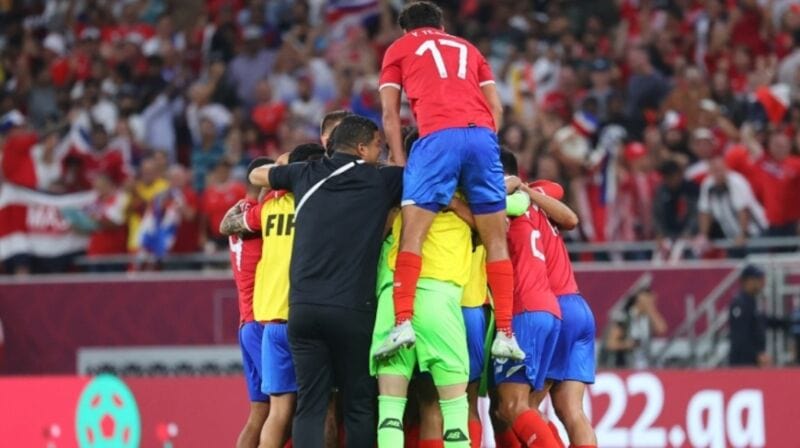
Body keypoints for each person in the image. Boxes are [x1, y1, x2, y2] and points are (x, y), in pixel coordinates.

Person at [377, 0, 521, 364]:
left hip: (437, 138)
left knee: (413, 233)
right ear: (441, 25)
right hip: (482, 137)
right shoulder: (470, 49)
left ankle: (403, 322)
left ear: (405, 28)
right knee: (496, 239)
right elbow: (497, 109)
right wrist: (482, 145)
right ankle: (505, 333)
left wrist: (398, 159)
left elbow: (390, 114)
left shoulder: (399, 48)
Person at [248, 115, 403, 447]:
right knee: (359, 406)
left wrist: (287, 165)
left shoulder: (304, 173)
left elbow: (255, 173)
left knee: (311, 405)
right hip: (353, 310)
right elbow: (427, 179)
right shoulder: (382, 181)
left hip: (302, 310)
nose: (382, 151)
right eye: (379, 145)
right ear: (362, 147)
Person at [370, 128, 474, 447]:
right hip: (439, 298)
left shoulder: (397, 189)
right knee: (454, 408)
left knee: (390, 408)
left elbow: (379, 230)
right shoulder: (466, 191)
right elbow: (501, 218)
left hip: (393, 294)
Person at [223, 145, 326, 447]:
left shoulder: (250, 215)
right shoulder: (277, 206)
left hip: (253, 321)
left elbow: (224, 225)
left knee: (262, 411)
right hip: (270, 316)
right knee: (289, 410)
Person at [493, 150, 579, 448]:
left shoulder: (497, 205)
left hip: (523, 310)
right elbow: (560, 199)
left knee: (511, 407)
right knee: (522, 408)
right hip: (548, 309)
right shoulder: (530, 199)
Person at [529, 182, 598, 448]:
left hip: (554, 308)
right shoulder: (545, 207)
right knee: (571, 411)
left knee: (527, 406)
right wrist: (531, 191)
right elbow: (557, 190)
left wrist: (523, 191)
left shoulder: (514, 211)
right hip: (579, 305)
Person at [222, 157, 273, 448]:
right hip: (262, 322)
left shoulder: (238, 212)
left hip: (246, 323)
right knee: (282, 407)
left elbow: (222, 226)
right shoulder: (259, 218)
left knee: (259, 412)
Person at [604, 287, 668, 369]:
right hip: (625, 366)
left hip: (644, 365)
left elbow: (662, 329)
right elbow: (610, 344)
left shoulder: (647, 319)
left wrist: (651, 310)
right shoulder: (624, 317)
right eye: (650, 301)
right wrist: (627, 344)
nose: (653, 304)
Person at [728, 265, 771, 367]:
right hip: (743, 362)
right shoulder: (740, 303)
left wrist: (788, 322)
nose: (762, 283)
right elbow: (740, 336)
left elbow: (763, 321)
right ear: (748, 281)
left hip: (753, 361)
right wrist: (756, 355)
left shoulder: (752, 301)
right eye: (758, 279)